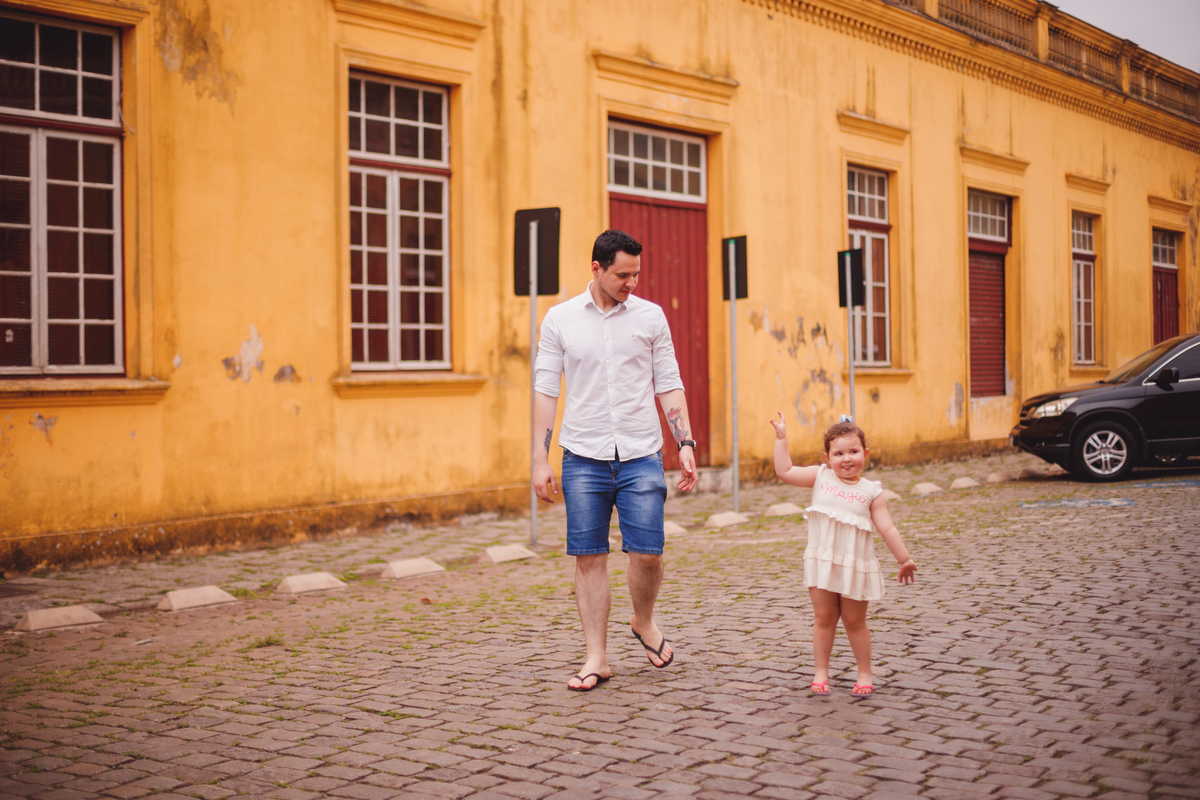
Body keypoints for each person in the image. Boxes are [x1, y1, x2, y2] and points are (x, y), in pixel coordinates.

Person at [533, 229, 698, 692]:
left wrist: (684, 442)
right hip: (582, 456)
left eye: (636, 274)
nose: (632, 283)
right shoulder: (560, 319)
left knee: (648, 553)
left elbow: (668, 381)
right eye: (623, 275)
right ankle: (597, 657)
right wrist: (538, 459)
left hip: (640, 453)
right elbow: (546, 390)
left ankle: (643, 619)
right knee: (589, 558)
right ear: (597, 269)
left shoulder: (651, 317)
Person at [768, 414, 917, 696]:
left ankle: (864, 673)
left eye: (853, 452)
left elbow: (887, 527)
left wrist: (904, 559)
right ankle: (821, 672)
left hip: (854, 567)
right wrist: (781, 438)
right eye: (838, 453)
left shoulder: (872, 491)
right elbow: (784, 471)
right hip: (822, 563)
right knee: (823, 617)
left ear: (865, 454)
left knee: (854, 621)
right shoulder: (820, 477)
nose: (846, 459)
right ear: (827, 457)